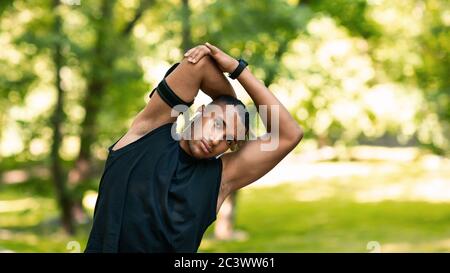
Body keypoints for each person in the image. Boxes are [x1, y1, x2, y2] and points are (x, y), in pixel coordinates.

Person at [85, 42, 303, 253]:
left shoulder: (219, 179)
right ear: (199, 112)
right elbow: (201, 65)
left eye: (229, 140)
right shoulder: (147, 133)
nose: (217, 138)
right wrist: (230, 96)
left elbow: (289, 134)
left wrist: (239, 72)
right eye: (218, 123)